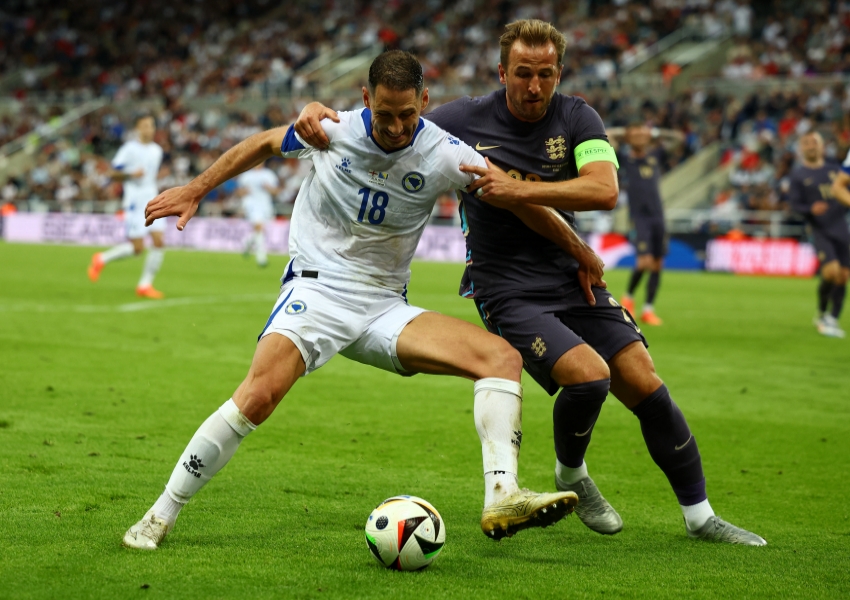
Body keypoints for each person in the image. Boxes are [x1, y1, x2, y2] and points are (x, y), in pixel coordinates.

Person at [297, 19, 766, 545]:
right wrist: (317, 112)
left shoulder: (578, 117)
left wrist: (520, 194)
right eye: (523, 73)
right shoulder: (460, 119)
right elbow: (386, 119)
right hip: (505, 288)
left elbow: (603, 190)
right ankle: (572, 475)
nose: (534, 86)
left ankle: (701, 516)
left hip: (572, 277)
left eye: (545, 74)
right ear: (503, 72)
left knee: (646, 384)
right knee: (589, 377)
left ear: (559, 72)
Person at [122, 50, 598, 551]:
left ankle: (503, 494)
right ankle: (160, 515)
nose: (396, 127)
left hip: (385, 307)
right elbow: (264, 143)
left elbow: (518, 199)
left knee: (501, 357)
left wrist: (581, 251)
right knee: (257, 399)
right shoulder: (331, 130)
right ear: (366, 99)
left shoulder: (446, 152)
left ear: (425, 101)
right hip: (317, 289)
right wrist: (197, 189)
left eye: (408, 115)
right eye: (385, 113)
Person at [607, 123, 685, 325]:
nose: (640, 137)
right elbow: (607, 136)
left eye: (644, 133)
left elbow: (678, 138)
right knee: (644, 262)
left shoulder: (655, 155)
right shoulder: (625, 159)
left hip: (658, 217)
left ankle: (648, 309)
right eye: (636, 133)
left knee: (658, 264)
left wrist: (655, 132)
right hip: (639, 218)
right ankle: (628, 297)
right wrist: (626, 133)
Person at [87, 115, 167, 299]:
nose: (149, 129)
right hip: (134, 202)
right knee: (137, 248)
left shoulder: (157, 150)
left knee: (159, 241)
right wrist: (131, 174)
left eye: (152, 125)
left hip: (153, 199)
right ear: (138, 129)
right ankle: (101, 259)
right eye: (145, 126)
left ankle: (145, 285)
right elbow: (112, 173)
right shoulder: (129, 149)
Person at [790, 132, 850, 338]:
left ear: (822, 146)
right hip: (819, 228)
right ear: (801, 148)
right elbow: (794, 205)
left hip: (841, 227)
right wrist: (810, 209)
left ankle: (833, 318)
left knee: (843, 276)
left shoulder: (835, 171)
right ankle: (823, 313)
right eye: (806, 143)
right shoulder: (798, 175)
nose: (811, 146)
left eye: (814, 142)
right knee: (831, 272)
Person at [236, 162, 281, 267]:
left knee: (260, 230)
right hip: (251, 204)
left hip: (265, 205)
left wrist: (268, 188)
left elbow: (276, 191)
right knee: (259, 227)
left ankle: (247, 243)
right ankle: (261, 258)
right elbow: (239, 192)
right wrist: (244, 192)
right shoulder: (246, 175)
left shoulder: (269, 174)